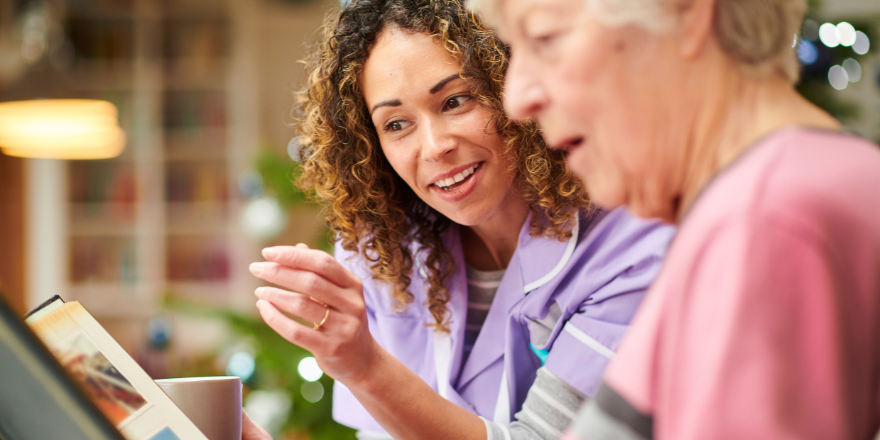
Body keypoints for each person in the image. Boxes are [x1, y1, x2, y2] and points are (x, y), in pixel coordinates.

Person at [243, 0, 675, 439]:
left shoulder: (631, 246)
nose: (434, 147)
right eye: (395, 124)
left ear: (514, 83)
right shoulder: (380, 249)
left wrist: (366, 366)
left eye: (455, 100)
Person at [469, 0, 880, 438]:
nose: (516, 99)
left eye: (546, 38)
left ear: (686, 14)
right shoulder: (806, 183)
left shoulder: (763, 221)